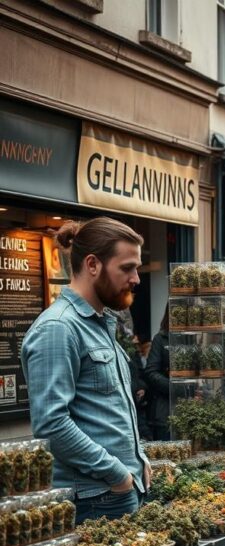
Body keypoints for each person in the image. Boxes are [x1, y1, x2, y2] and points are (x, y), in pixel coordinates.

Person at [23, 218, 151, 523]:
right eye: (127, 268)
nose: (136, 279)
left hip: (115, 491)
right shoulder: (58, 328)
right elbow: (52, 424)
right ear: (92, 264)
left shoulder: (99, 324)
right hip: (95, 499)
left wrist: (138, 459)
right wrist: (118, 474)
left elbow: (108, 411)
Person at [143, 308, 172, 441]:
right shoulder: (161, 338)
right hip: (165, 410)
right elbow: (150, 372)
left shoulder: (195, 336)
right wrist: (174, 387)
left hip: (196, 405)